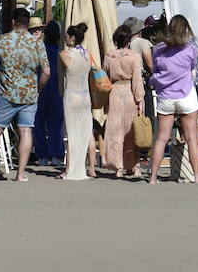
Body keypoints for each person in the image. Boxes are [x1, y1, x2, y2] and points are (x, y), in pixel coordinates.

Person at [0, 7, 49, 182]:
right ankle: (20, 173)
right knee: (26, 131)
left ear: (12, 22)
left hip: (7, 93)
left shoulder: (1, 41)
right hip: (29, 95)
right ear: (27, 23)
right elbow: (46, 72)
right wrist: (38, 89)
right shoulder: (37, 43)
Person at [147, 15, 198, 184]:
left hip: (165, 96)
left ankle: (153, 177)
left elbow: (155, 69)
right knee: (192, 137)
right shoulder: (190, 49)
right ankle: (197, 177)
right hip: (186, 94)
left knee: (161, 138)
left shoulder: (157, 49)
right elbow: (192, 68)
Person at [102, 24, 145, 177]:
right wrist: (139, 99)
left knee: (115, 131)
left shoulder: (109, 57)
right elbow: (137, 80)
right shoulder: (133, 56)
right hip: (129, 93)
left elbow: (104, 78)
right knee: (131, 132)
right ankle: (134, 165)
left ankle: (117, 166)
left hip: (114, 92)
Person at [58, 23, 97, 180]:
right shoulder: (88, 54)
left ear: (72, 38)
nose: (65, 38)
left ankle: (70, 169)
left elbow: (67, 71)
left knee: (71, 133)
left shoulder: (64, 54)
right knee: (88, 132)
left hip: (72, 96)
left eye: (67, 36)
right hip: (85, 96)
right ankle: (92, 168)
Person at [33, 21, 65, 168]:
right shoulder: (61, 50)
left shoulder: (39, 49)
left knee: (39, 122)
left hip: (40, 87)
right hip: (57, 88)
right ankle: (56, 155)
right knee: (55, 124)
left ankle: (41, 156)